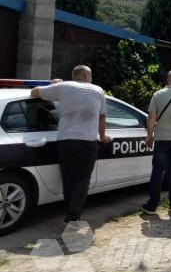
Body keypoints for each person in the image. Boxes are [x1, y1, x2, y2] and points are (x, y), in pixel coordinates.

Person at [31, 65, 111, 223]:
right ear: (85, 75)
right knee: (82, 178)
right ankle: (73, 215)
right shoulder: (98, 90)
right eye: (91, 75)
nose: (92, 78)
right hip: (88, 141)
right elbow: (102, 118)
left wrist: (52, 85)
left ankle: (70, 211)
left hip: (65, 140)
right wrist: (102, 136)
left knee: (68, 177)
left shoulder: (63, 86)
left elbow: (33, 92)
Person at [141, 70, 171, 214]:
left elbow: (151, 118)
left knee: (157, 172)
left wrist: (150, 136)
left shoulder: (158, 94)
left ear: (168, 80)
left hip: (162, 139)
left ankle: (152, 205)